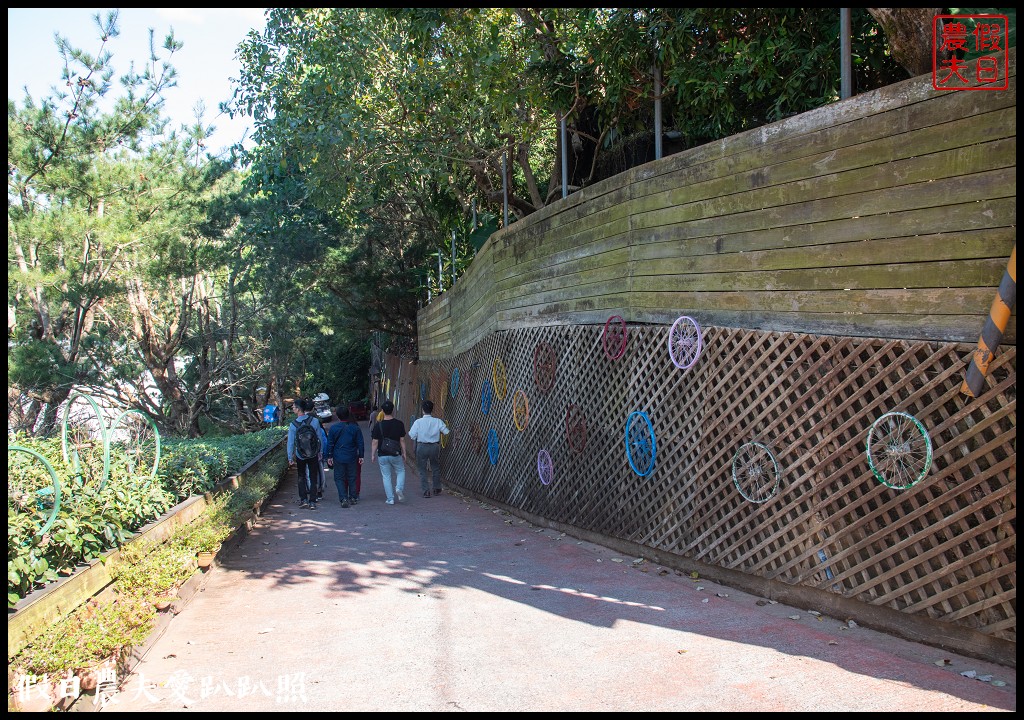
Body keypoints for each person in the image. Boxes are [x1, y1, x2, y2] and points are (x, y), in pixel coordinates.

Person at [287, 397, 328, 510]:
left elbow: (291, 442)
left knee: (301, 476)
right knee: (313, 476)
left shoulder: (293, 425)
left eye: (294, 407)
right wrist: (320, 451)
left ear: (299, 409)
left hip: (300, 454)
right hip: (313, 453)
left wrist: (290, 456)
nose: (293, 409)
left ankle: (303, 499)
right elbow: (319, 438)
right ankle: (313, 501)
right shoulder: (314, 421)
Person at [408, 399, 450, 498]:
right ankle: (436, 488)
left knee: (422, 469)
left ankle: (426, 491)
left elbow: (412, 435)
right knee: (435, 467)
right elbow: (446, 432)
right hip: (434, 446)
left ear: (422, 410)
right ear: (432, 410)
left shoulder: (418, 422)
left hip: (422, 446)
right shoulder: (438, 421)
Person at [325, 405, 364, 508]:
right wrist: (361, 456)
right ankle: (353, 497)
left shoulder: (333, 428)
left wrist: (329, 456)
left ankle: (343, 498)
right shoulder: (355, 428)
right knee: (352, 476)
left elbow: (330, 443)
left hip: (338, 456)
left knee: (339, 477)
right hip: (352, 456)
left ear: (338, 416)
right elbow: (360, 443)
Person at [370, 400, 407, 505]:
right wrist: (404, 452)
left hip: (382, 454)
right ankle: (399, 488)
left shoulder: (378, 425)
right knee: (400, 471)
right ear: (393, 410)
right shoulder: (399, 424)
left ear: (382, 411)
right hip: (395, 453)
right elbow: (402, 440)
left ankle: (390, 499)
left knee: (386, 476)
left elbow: (375, 441)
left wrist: (373, 454)